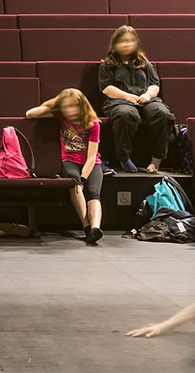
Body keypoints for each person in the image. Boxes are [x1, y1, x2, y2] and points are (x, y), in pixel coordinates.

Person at [29, 87, 104, 245]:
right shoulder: (62, 117)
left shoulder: (93, 124)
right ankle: (87, 227)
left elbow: (91, 157)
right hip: (70, 160)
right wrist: (56, 104)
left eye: (74, 106)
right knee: (74, 182)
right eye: (66, 106)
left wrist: (84, 177)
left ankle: (96, 227)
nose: (70, 110)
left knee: (93, 191)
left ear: (82, 105)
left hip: (91, 163)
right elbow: (31, 113)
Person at [96, 25, 175, 174]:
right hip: (119, 101)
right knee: (126, 114)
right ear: (115, 44)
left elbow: (154, 84)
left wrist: (147, 95)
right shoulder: (107, 65)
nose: (127, 44)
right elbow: (106, 88)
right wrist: (127, 96)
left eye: (131, 41)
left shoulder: (144, 62)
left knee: (161, 113)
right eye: (123, 41)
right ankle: (124, 157)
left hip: (146, 99)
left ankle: (157, 158)